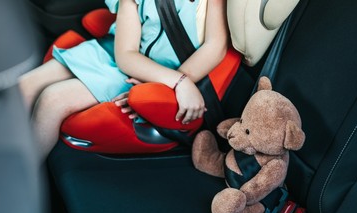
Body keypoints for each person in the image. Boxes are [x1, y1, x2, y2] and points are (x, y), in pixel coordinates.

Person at [19, 0, 228, 162]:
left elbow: (215, 46)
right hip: (121, 57)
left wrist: (176, 82)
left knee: (52, 100)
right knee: (21, 87)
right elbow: (126, 55)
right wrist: (179, 82)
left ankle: (18, 183)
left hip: (154, 76)